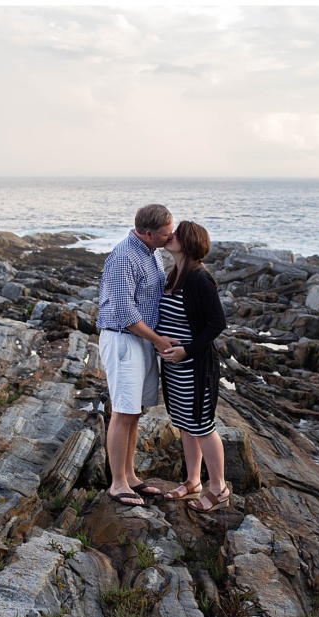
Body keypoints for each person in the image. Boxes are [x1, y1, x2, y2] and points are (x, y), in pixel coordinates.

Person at [97, 204, 179, 507]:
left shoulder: (151, 251)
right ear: (147, 233)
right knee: (122, 410)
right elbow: (124, 312)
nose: (170, 238)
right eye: (165, 234)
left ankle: (130, 476)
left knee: (134, 411)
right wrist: (159, 341)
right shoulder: (123, 257)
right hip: (123, 340)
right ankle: (117, 483)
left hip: (141, 339)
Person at [158, 221, 231, 513]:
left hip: (196, 367)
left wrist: (186, 349)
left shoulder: (200, 279)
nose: (169, 236)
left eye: (175, 234)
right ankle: (192, 482)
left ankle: (219, 489)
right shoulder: (174, 275)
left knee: (202, 426)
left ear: (187, 243)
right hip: (175, 368)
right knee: (185, 425)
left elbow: (218, 323)